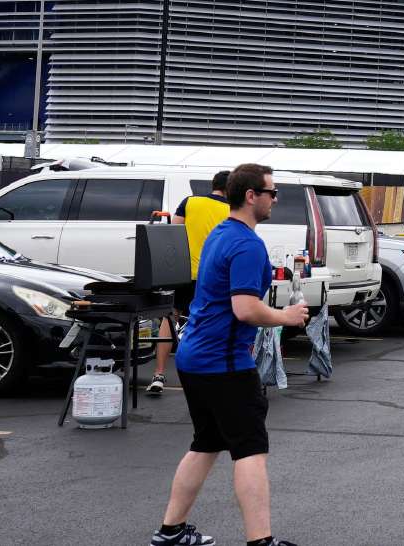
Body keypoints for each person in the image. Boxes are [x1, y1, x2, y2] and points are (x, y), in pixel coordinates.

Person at [151, 164, 308, 546]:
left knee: (205, 444)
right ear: (251, 196)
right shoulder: (247, 244)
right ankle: (261, 541)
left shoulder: (221, 234)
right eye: (271, 192)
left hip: (195, 358)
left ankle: (170, 532)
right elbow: (244, 308)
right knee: (251, 449)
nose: (275, 199)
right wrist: (286, 317)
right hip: (223, 364)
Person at [148, 170, 231, 396]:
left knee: (171, 316)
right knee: (208, 321)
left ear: (213, 185)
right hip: (212, 277)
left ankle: (159, 374)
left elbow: (172, 234)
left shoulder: (190, 202)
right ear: (230, 188)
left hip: (185, 273)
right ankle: (206, 376)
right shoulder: (232, 210)